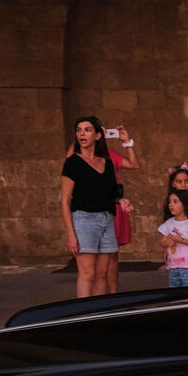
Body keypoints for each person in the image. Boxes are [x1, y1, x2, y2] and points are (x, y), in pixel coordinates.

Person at [60, 116, 135, 298]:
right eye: (79, 130)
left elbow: (110, 193)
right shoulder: (73, 163)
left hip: (107, 220)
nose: (82, 133)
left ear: (98, 135)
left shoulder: (107, 163)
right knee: (88, 274)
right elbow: (64, 201)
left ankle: (98, 314)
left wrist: (120, 201)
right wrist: (71, 234)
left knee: (102, 274)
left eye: (87, 129)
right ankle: (83, 316)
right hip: (84, 220)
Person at [158, 189, 188, 287]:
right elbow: (162, 241)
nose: (171, 205)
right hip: (174, 267)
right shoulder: (168, 223)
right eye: (170, 202)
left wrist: (181, 240)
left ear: (185, 204)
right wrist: (168, 242)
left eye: (175, 201)